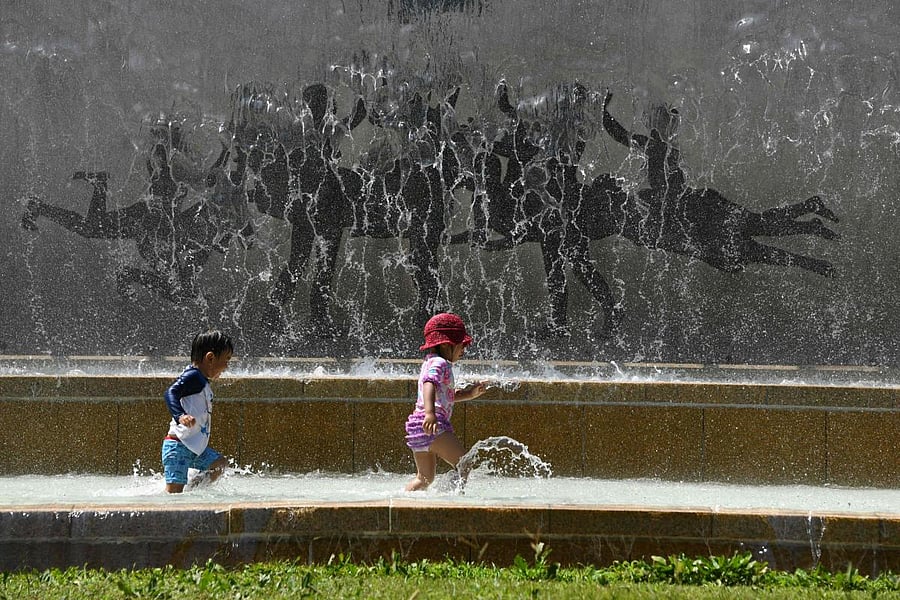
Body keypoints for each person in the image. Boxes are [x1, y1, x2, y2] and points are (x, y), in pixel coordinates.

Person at [405, 313, 487, 492]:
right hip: (433, 425)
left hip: (417, 428)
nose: (463, 349)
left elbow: (445, 395)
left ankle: (404, 501)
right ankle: (453, 498)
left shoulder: (429, 361)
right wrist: (430, 413)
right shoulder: (440, 363)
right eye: (461, 344)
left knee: (424, 478)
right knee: (465, 463)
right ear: (445, 344)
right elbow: (429, 383)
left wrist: (470, 394)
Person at [161, 330, 234, 493]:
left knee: (219, 465)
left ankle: (192, 490)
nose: (227, 366)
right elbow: (170, 392)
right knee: (173, 496)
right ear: (210, 358)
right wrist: (180, 415)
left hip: (194, 448)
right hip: (178, 447)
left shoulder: (200, 380)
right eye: (226, 359)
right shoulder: (193, 376)